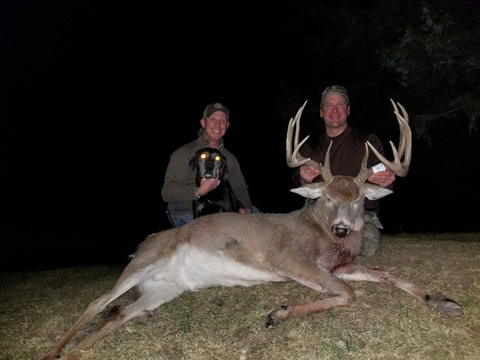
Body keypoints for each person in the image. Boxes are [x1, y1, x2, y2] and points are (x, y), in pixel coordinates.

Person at [292, 85, 395, 257]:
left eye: (340, 104)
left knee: (367, 246)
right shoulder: (311, 148)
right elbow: (298, 180)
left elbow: (385, 178)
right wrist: (304, 179)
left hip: (359, 211)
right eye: (328, 105)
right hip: (322, 211)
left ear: (348, 110)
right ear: (321, 112)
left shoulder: (368, 142)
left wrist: (387, 180)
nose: (334, 110)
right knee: (295, 240)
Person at [162, 102, 258, 228]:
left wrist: (246, 209)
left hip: (220, 211)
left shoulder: (229, 158)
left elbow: (241, 190)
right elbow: (167, 193)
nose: (217, 125)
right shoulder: (183, 154)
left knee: (257, 215)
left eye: (222, 121)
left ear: (227, 125)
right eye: (212, 119)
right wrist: (199, 191)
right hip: (187, 213)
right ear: (203, 122)